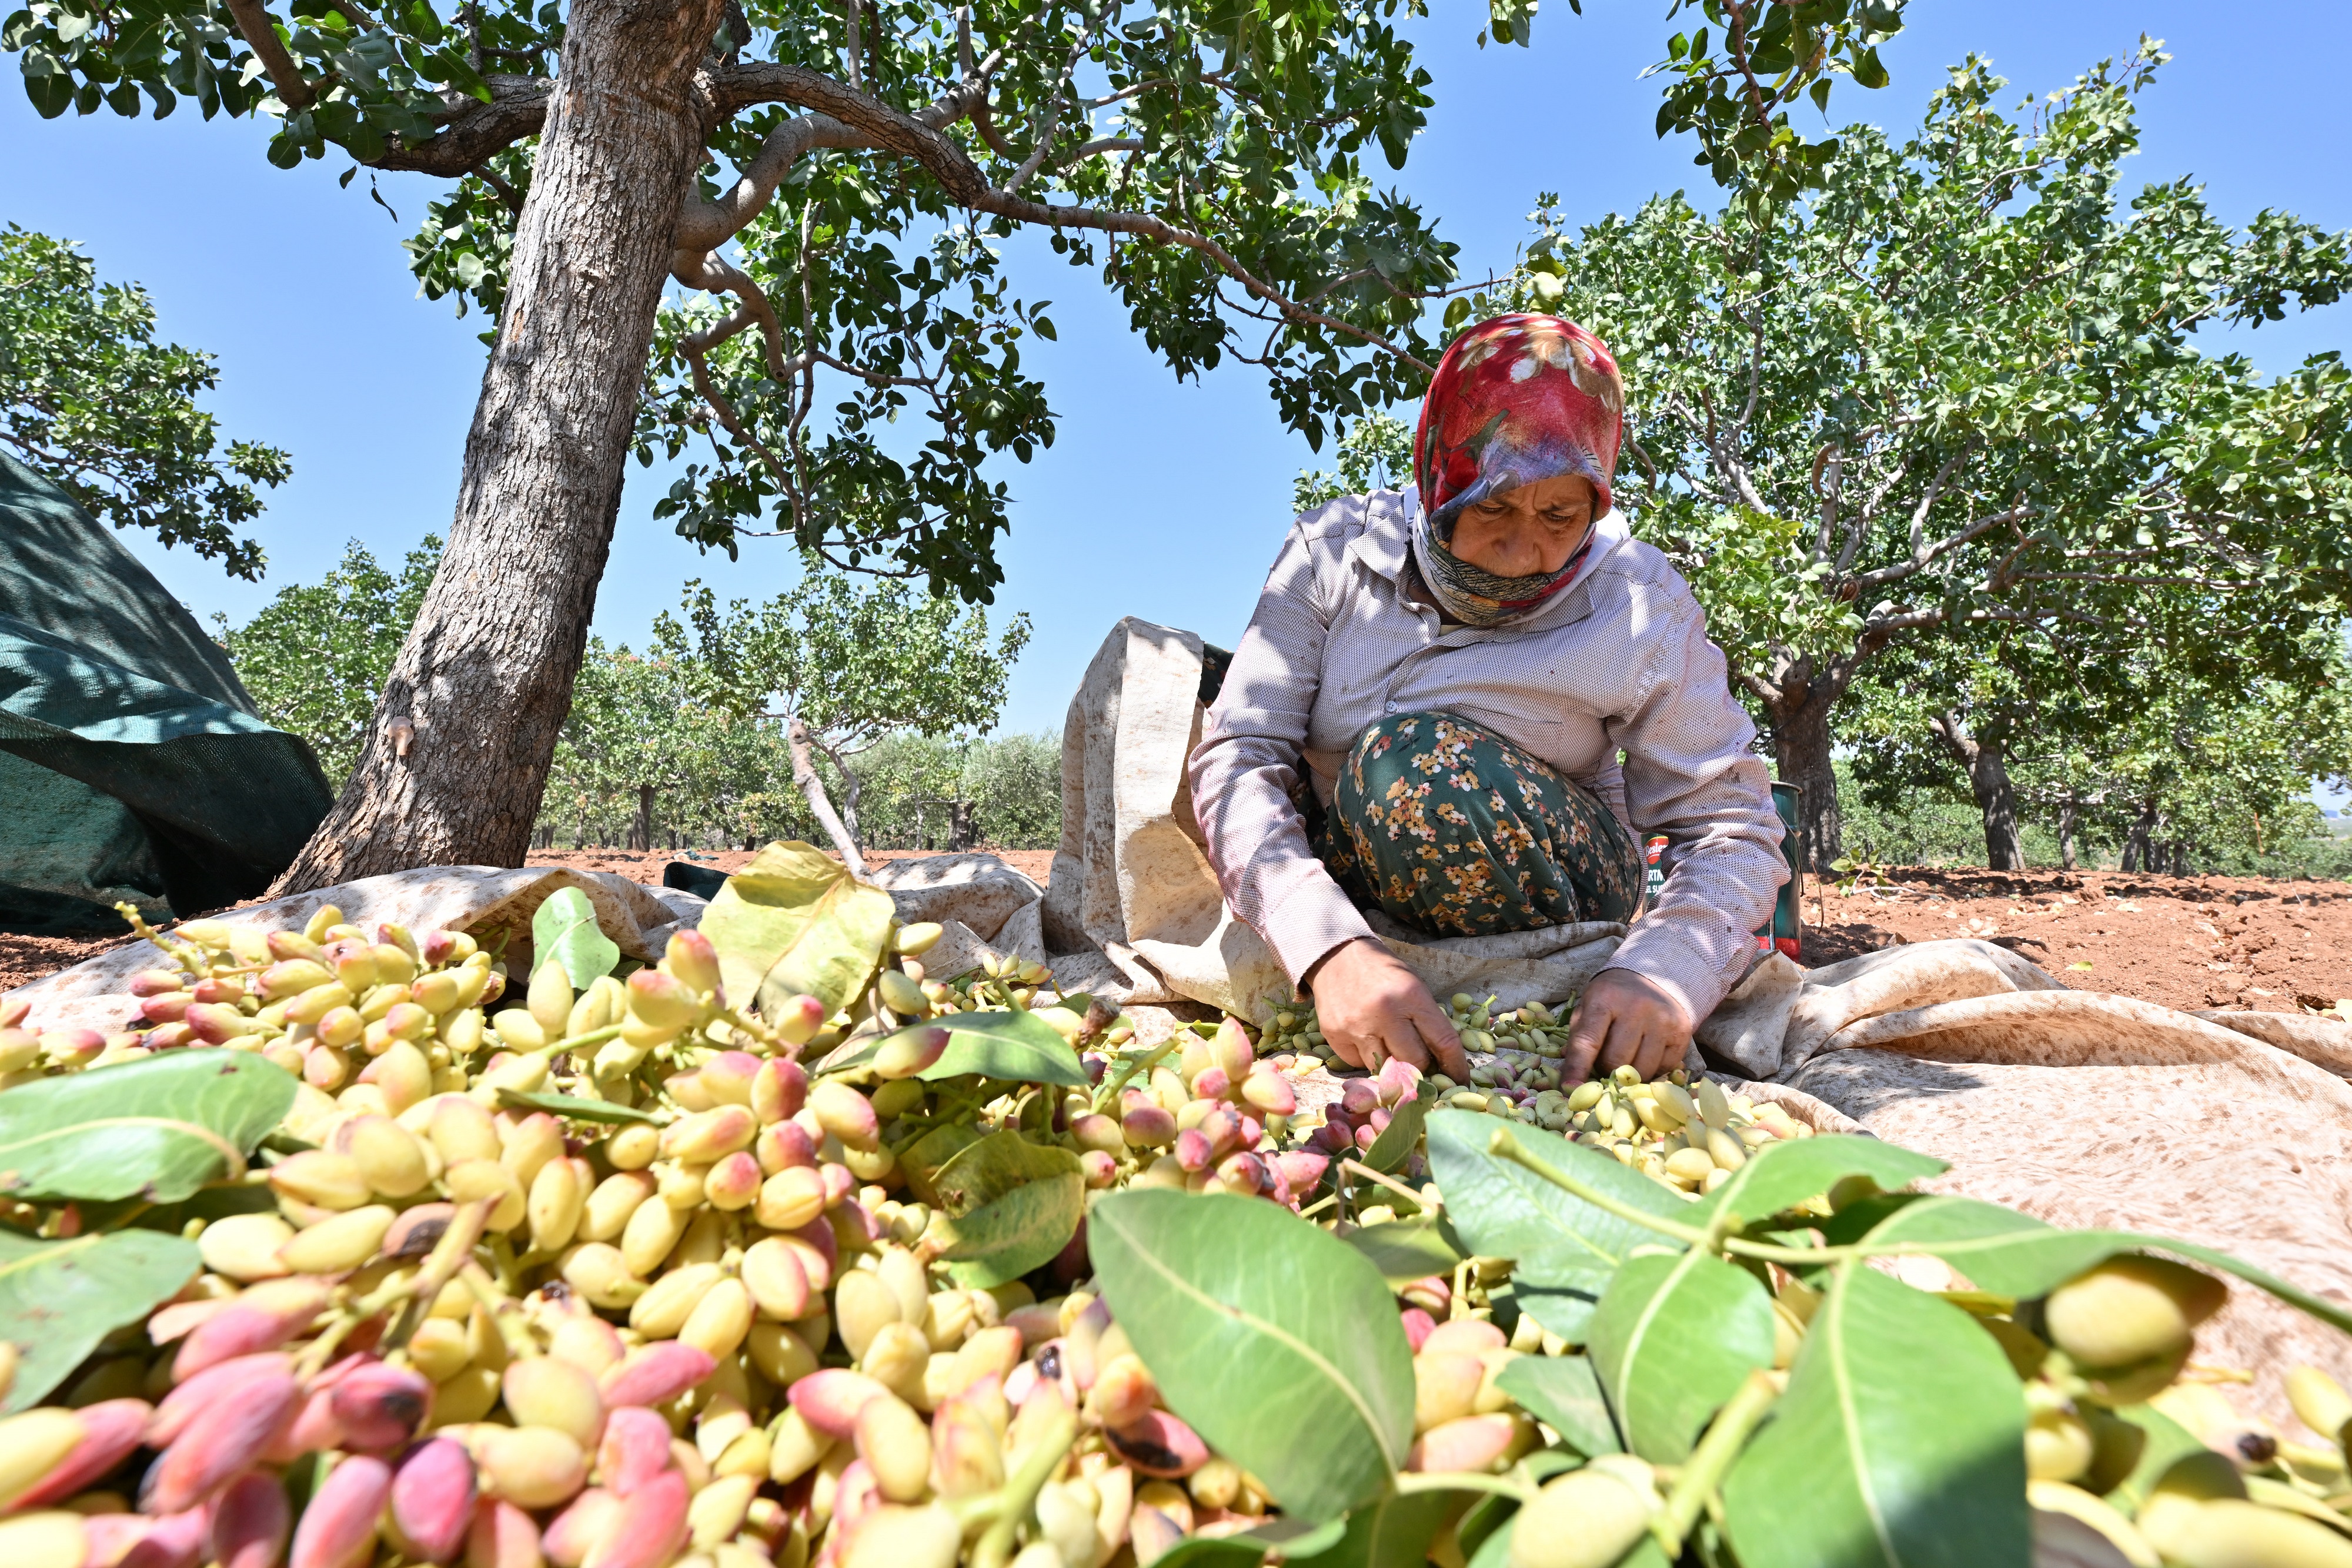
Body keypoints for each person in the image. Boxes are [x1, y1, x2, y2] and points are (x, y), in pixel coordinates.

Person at [1188, 313, 1786, 1086]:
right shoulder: (1331, 554)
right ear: (1438, 475)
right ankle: (1370, 964)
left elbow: (1730, 825)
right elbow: (1243, 753)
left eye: (1559, 516)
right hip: (1347, 856)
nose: (1522, 550)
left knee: (1409, 772)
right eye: (1492, 507)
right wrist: (1327, 945)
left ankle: (1523, 986)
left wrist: (1667, 971)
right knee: (1163, 683)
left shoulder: (1638, 607)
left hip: (1558, 875)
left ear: (1597, 501)